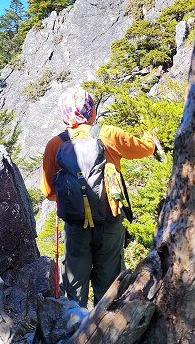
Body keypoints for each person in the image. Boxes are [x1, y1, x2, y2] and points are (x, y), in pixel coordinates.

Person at [41, 87, 155, 307]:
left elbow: (48, 193)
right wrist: (151, 137)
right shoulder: (109, 134)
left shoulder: (55, 144)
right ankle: (106, 324)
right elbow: (144, 149)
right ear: (91, 111)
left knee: (75, 282)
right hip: (109, 218)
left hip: (75, 225)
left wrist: (76, 200)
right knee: (110, 279)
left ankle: (75, 326)